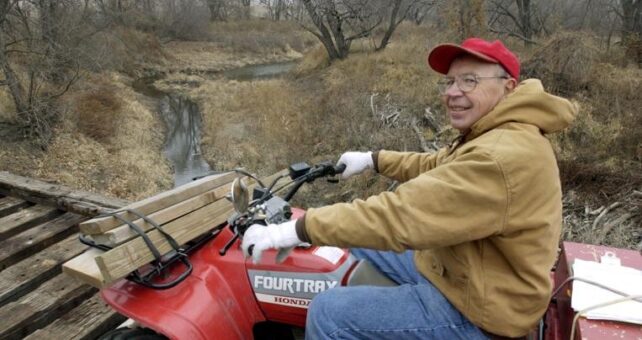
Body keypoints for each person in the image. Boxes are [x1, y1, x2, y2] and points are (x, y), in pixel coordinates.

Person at [241, 37, 577, 339]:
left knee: (329, 313)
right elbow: (438, 166)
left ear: (509, 87)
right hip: (474, 272)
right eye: (450, 81)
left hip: (482, 314)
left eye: (470, 80)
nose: (452, 91)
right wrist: (374, 159)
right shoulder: (500, 131)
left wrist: (298, 229)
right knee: (363, 246)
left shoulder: (500, 156)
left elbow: (400, 217)